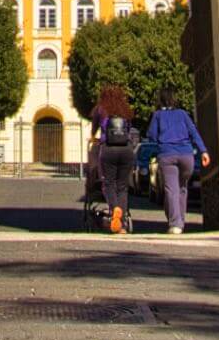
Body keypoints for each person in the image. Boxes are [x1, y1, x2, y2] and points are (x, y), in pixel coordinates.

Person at [145, 86, 208, 235]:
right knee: (182, 188)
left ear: (160, 100)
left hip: (167, 155)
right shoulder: (183, 114)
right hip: (187, 155)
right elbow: (194, 132)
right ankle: (180, 220)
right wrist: (203, 151)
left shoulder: (157, 115)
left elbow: (151, 135)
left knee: (171, 189)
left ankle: (175, 224)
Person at [89, 84, 137, 234]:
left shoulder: (100, 109)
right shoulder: (125, 110)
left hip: (108, 149)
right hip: (126, 149)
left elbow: (94, 130)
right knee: (122, 187)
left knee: (108, 183)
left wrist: (94, 139)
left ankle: (114, 208)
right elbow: (129, 130)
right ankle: (121, 225)